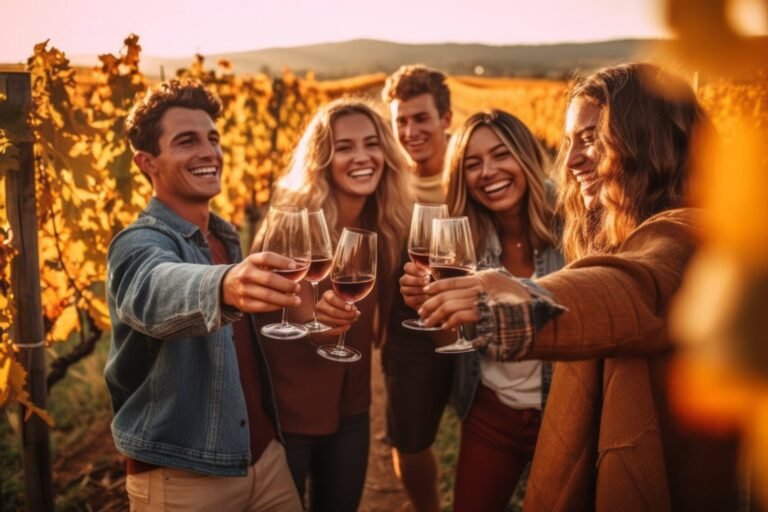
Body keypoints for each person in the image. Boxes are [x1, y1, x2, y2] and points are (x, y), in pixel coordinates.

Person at [418, 63, 742, 511]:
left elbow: (628, 288)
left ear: (647, 140)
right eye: (569, 141)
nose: (570, 161)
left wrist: (517, 300)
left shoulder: (687, 237)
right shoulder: (611, 233)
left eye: (590, 139)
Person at [104, 80, 302, 512]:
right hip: (183, 479)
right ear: (147, 162)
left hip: (265, 460)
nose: (209, 152)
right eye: (186, 141)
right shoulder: (135, 244)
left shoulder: (225, 237)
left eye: (212, 138)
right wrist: (222, 285)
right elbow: (153, 288)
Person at [252, 98, 413, 512]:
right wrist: (326, 322)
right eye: (344, 147)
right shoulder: (289, 225)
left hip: (352, 410)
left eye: (371, 144)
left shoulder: (385, 226)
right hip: (286, 415)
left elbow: (393, 319)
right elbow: (306, 320)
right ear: (323, 159)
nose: (362, 157)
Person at [399, 110, 564, 511]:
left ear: (525, 156)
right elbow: (456, 343)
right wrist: (431, 307)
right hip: (492, 412)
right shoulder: (462, 240)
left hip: (564, 414)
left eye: (501, 155)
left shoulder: (572, 225)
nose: (488, 172)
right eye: (473, 164)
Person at [380, 64, 455, 512]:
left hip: (475, 318)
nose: (410, 131)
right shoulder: (387, 185)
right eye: (400, 121)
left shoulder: (474, 174)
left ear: (446, 118)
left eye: (420, 118)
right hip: (409, 330)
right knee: (409, 441)